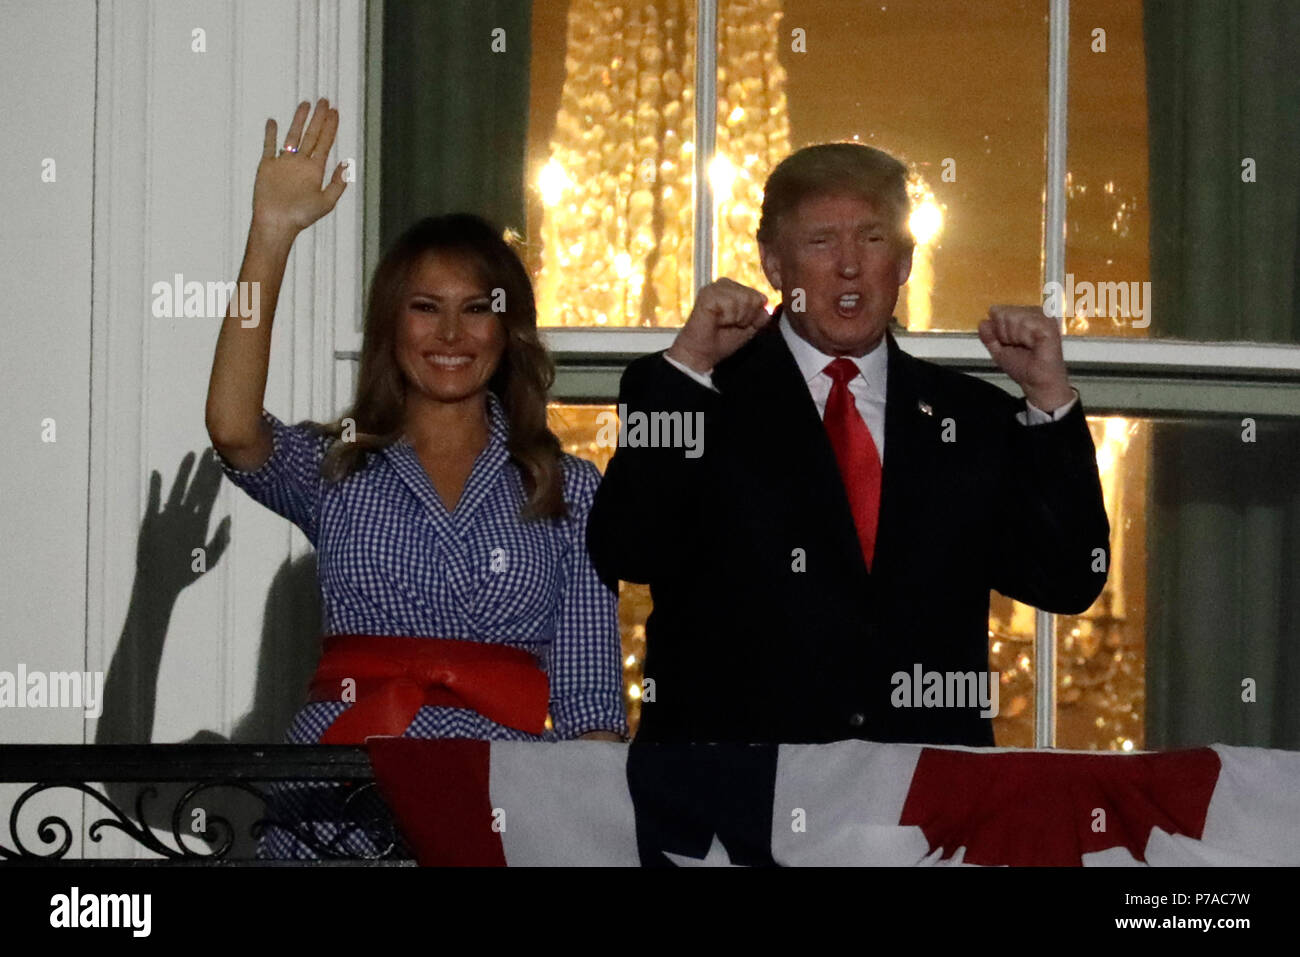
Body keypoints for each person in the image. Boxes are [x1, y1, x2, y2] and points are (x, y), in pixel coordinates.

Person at [206, 99, 627, 857]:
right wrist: (270, 233)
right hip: (336, 808)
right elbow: (235, 425)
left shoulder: (570, 490)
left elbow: (591, 704)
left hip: (496, 813)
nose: (451, 334)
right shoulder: (337, 467)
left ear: (509, 328)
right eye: (425, 308)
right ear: (390, 326)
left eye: (476, 310)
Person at [587, 142, 1110, 748]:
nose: (848, 266)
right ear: (774, 265)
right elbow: (629, 548)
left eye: (872, 239)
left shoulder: (971, 417)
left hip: (917, 808)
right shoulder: (696, 390)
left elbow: (1069, 579)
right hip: (732, 810)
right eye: (819, 242)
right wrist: (687, 367)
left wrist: (1048, 398)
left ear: (906, 260)